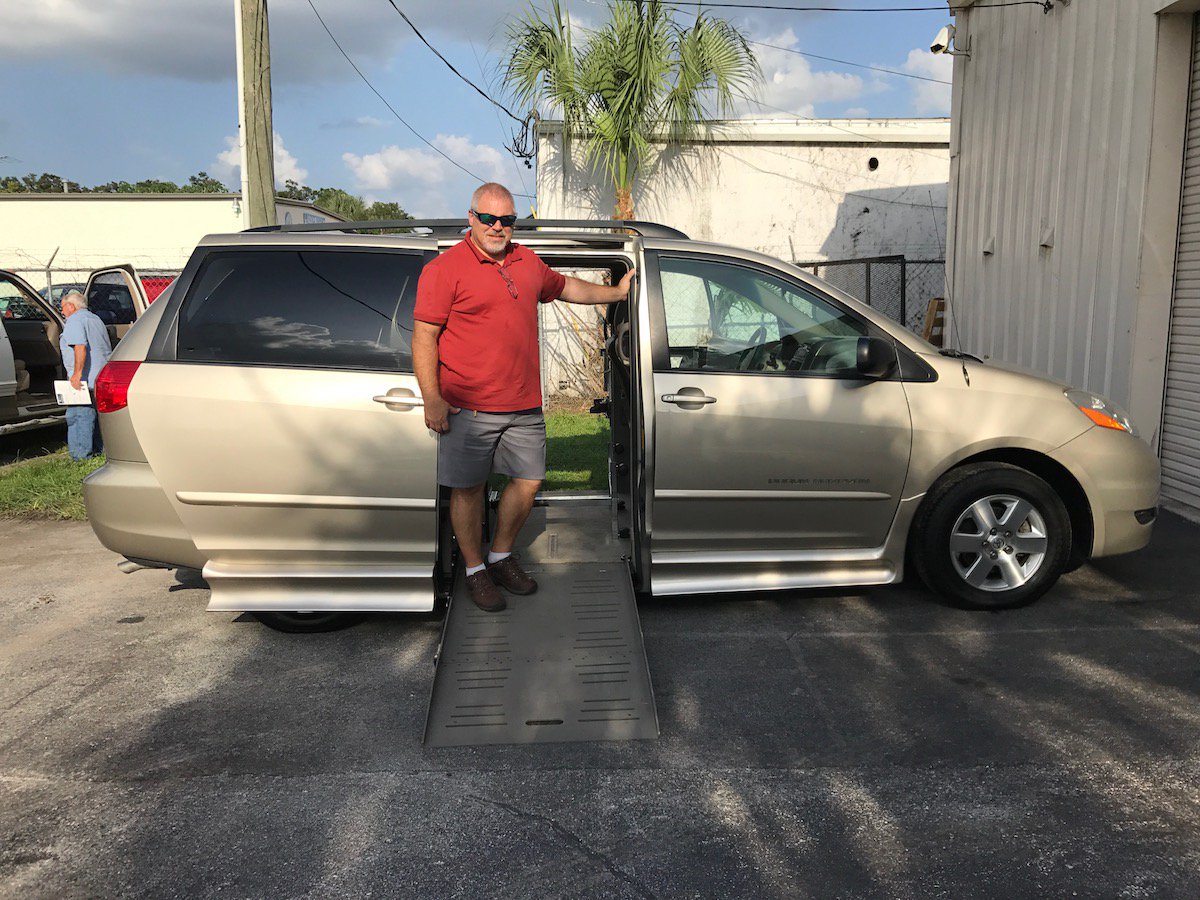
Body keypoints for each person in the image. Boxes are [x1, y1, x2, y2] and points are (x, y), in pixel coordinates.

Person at [413, 183, 634, 612]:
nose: (498, 227)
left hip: (523, 406)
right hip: (468, 406)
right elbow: (425, 337)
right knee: (467, 490)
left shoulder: (525, 261)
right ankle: (475, 570)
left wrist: (617, 293)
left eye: (507, 220)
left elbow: (567, 286)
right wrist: (432, 397)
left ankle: (500, 555)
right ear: (471, 218)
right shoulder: (445, 269)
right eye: (490, 219)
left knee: (529, 482)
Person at [59, 290, 112, 460]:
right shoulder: (95, 319)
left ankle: (81, 456)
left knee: (78, 415)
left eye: (62, 308)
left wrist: (76, 375)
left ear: (71, 306)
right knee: (96, 417)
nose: (62, 312)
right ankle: (99, 450)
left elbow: (79, 347)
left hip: (84, 379)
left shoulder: (74, 320)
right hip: (102, 375)